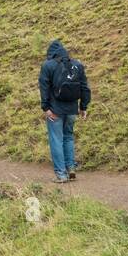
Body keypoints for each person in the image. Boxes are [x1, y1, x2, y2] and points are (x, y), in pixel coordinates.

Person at [39, 40, 90, 183]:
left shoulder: (48, 65)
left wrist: (46, 108)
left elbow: (44, 88)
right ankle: (71, 168)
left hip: (55, 111)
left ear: (51, 53)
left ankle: (61, 175)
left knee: (56, 140)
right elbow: (85, 87)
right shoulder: (77, 65)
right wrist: (83, 107)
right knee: (68, 138)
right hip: (72, 110)